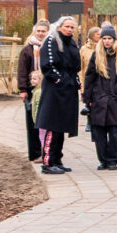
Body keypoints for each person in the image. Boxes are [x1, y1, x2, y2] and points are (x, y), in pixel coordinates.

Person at [34, 16, 81, 175]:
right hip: (55, 89)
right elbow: (47, 65)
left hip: (68, 89)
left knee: (61, 126)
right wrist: (60, 80)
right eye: (67, 26)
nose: (70, 30)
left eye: (72, 27)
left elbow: (75, 66)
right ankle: (48, 161)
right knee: (52, 125)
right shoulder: (51, 40)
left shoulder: (71, 43)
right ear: (60, 26)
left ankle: (57, 159)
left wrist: (75, 82)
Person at [83, 23, 117, 170]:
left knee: (115, 133)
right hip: (99, 98)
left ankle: (112, 160)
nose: (107, 41)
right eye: (104, 38)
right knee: (99, 132)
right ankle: (103, 159)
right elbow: (89, 77)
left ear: (114, 40)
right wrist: (87, 98)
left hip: (116, 100)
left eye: (109, 38)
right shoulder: (96, 55)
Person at [16, 20, 48, 162]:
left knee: (47, 121)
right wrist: (23, 89)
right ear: (34, 32)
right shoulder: (27, 50)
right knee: (33, 120)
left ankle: (47, 150)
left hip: (47, 87)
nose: (41, 33)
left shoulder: (50, 47)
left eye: (43, 31)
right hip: (32, 88)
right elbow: (22, 71)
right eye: (38, 31)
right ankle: (35, 153)